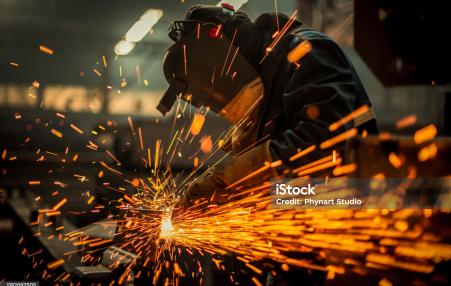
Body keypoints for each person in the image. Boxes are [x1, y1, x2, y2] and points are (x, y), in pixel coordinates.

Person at [157, 4, 378, 208]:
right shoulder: (263, 77)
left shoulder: (305, 51)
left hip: (348, 204)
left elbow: (324, 145)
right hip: (305, 213)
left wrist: (230, 182)